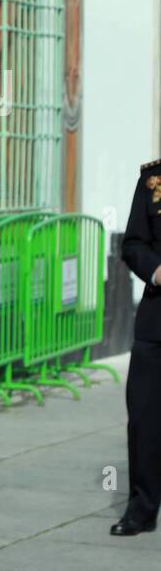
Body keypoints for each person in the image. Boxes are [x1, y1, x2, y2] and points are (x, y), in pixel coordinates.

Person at [114, 158, 161, 536]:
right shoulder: (153, 180)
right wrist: (156, 269)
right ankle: (141, 509)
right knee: (145, 419)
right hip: (156, 322)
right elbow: (132, 242)